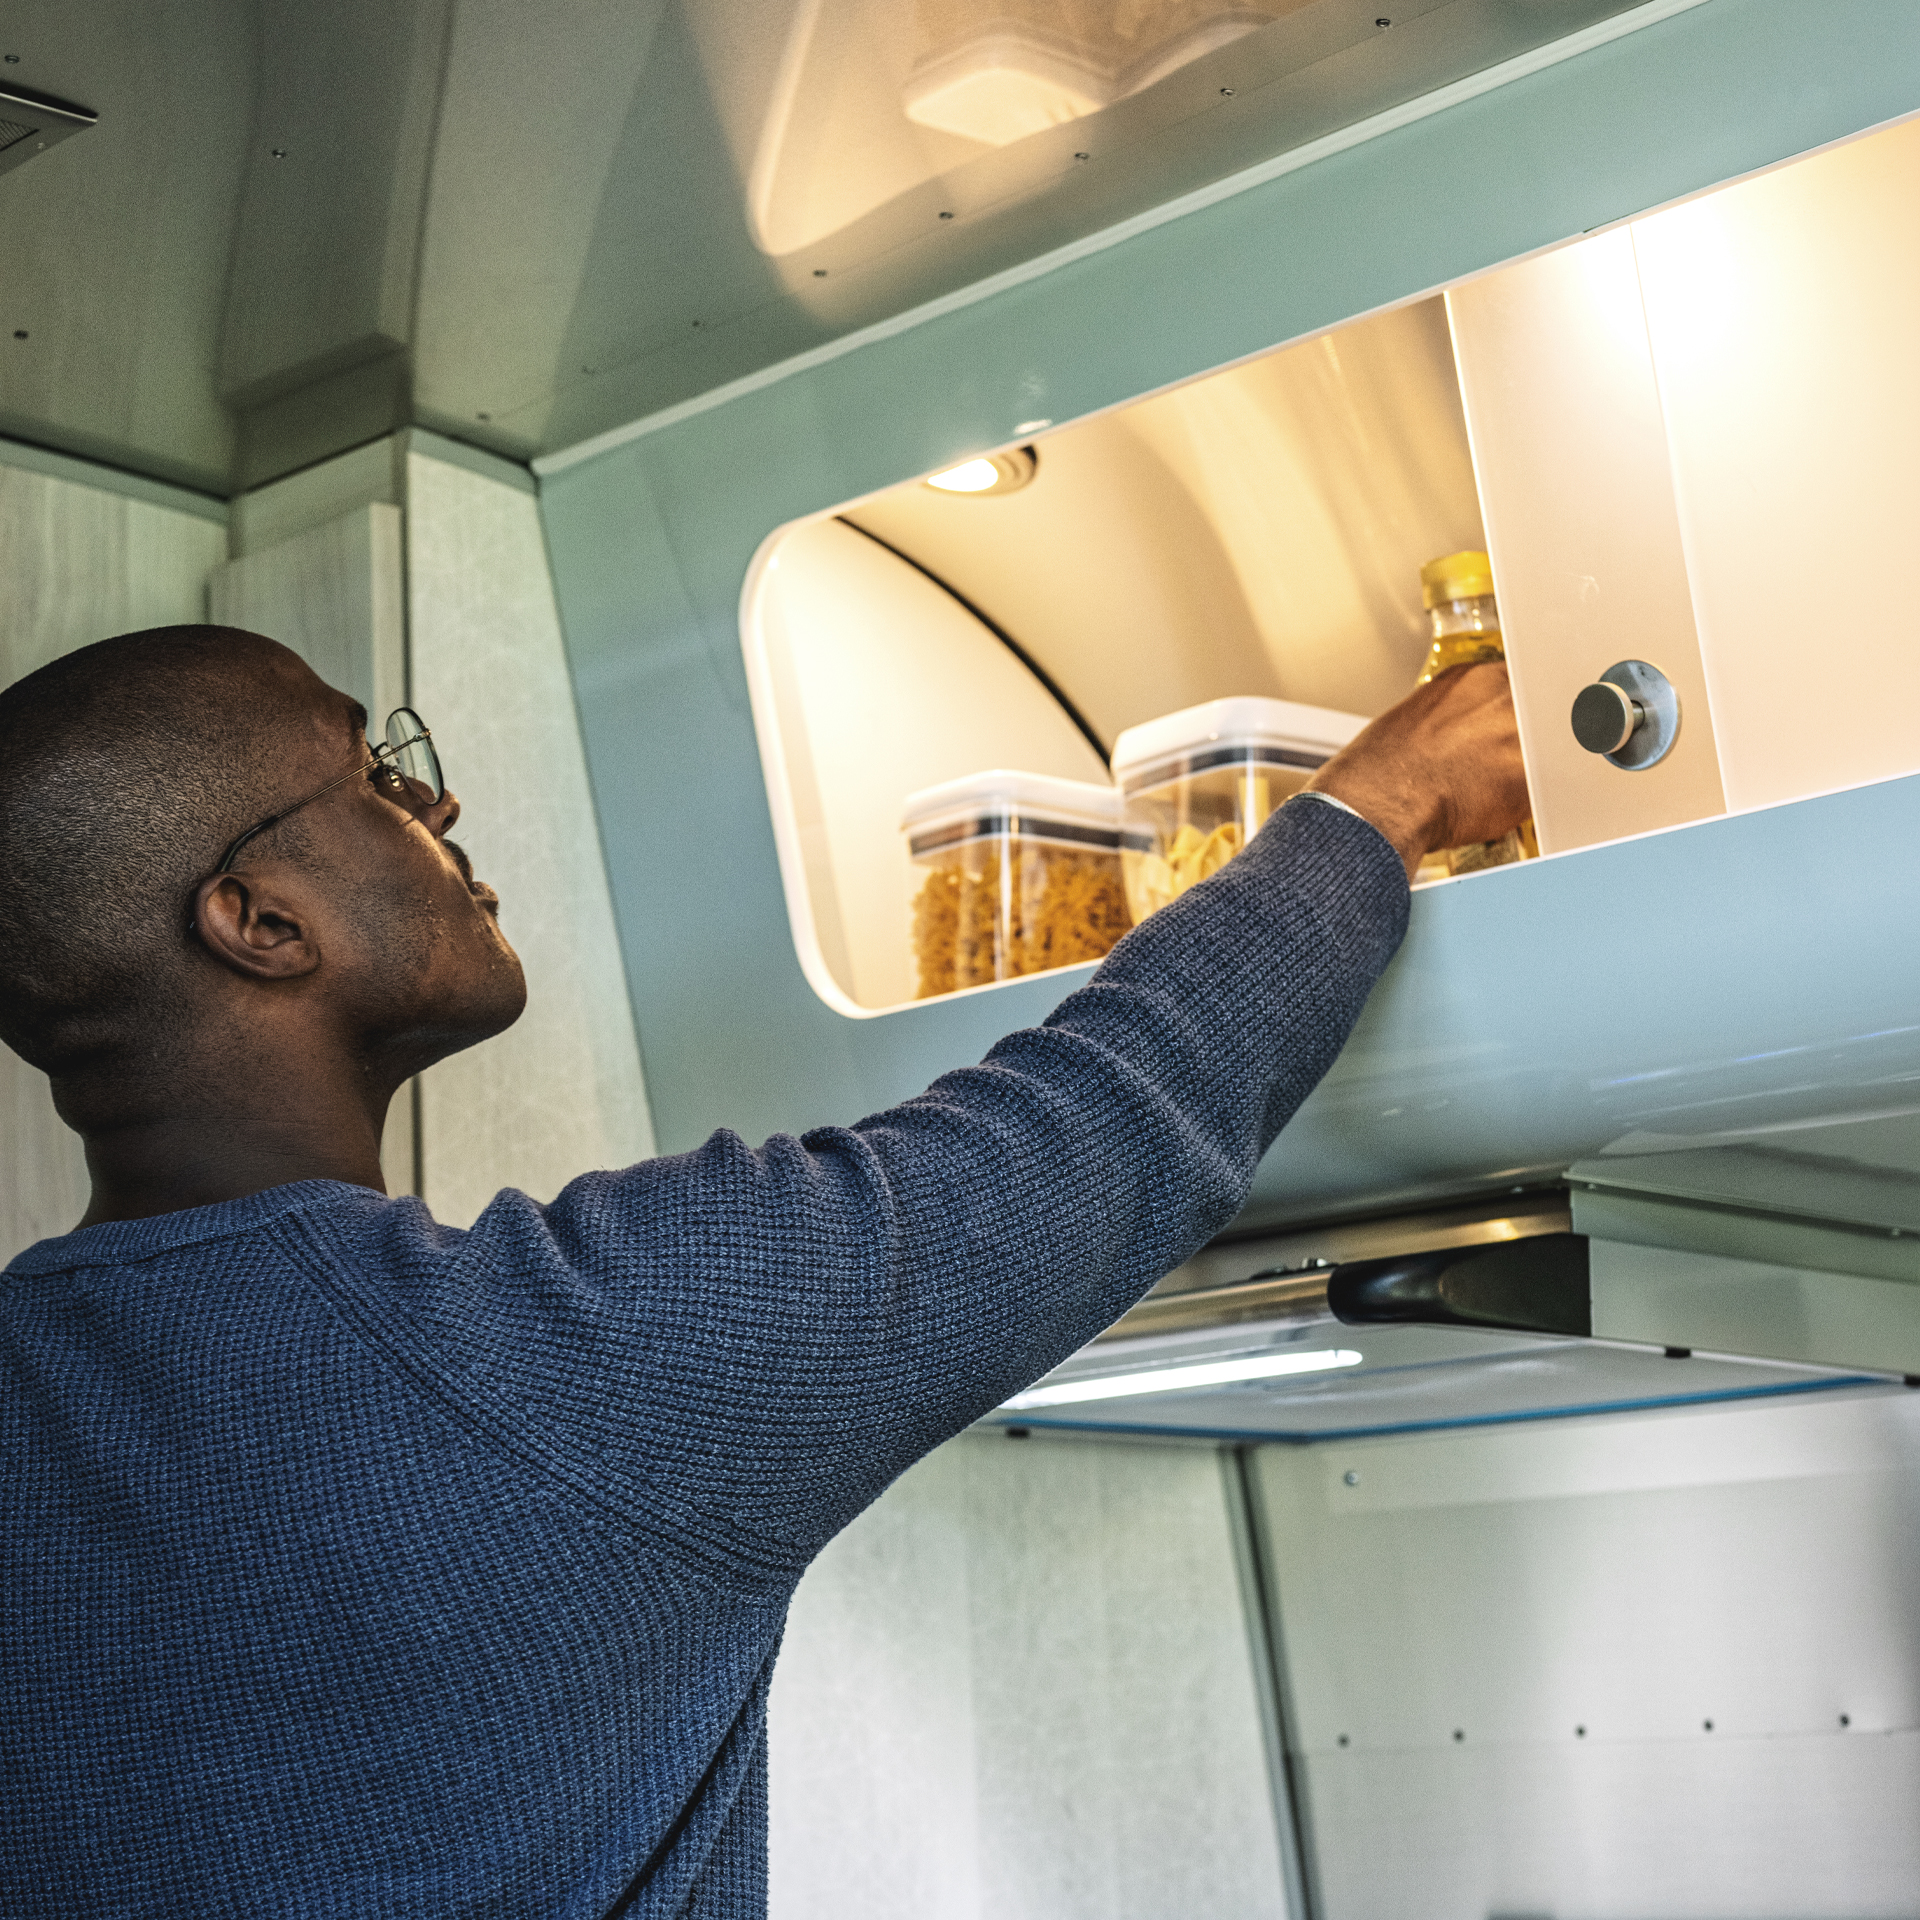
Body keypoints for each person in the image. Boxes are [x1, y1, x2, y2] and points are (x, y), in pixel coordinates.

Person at [0, 624, 1528, 1917]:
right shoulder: (563, 1359)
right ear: (260, 922)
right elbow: (1103, 1120)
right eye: (373, 774)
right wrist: (1389, 796)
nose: (439, 797)